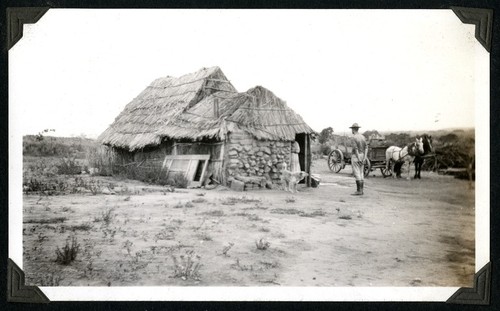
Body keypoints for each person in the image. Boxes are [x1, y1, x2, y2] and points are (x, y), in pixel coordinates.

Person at [349, 123, 368, 195]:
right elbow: (366, 148)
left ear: (353, 129)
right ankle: (361, 190)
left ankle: (359, 191)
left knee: (357, 172)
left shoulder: (353, 137)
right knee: (361, 172)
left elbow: (355, 149)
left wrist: (358, 158)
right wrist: (365, 157)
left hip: (356, 156)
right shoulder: (363, 137)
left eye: (352, 129)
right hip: (363, 155)